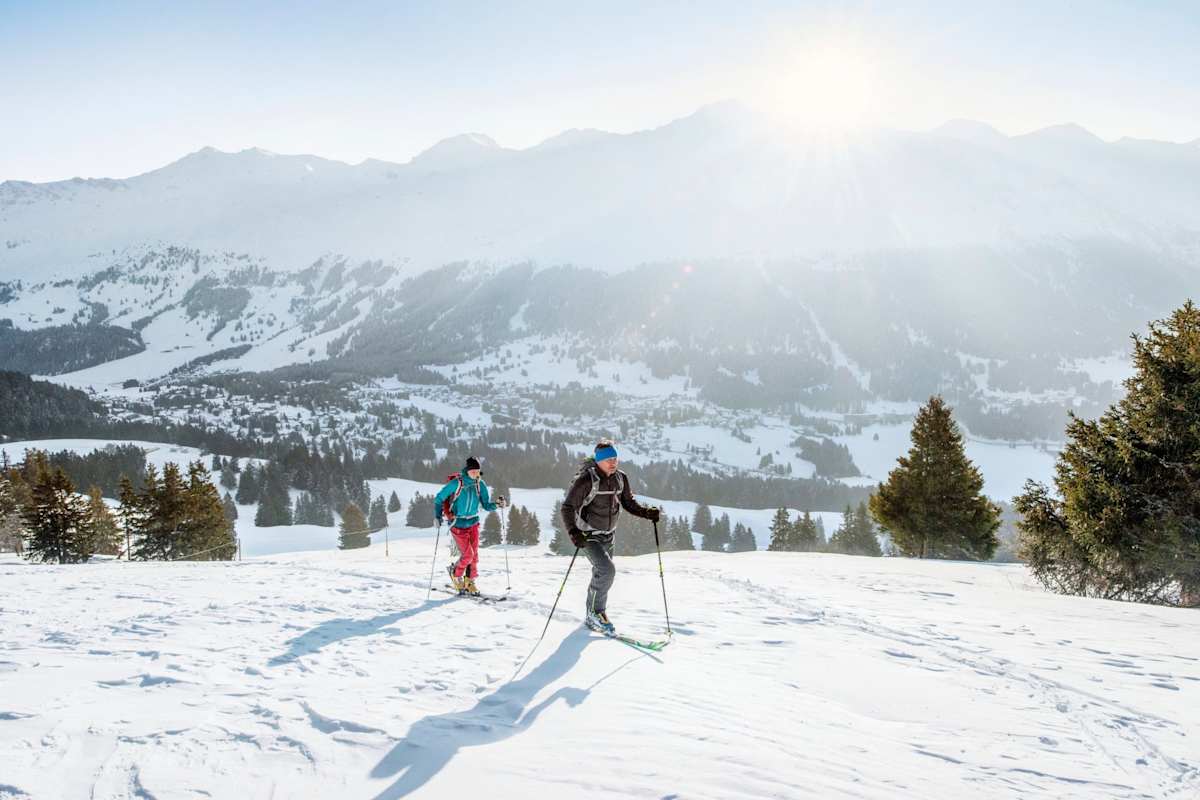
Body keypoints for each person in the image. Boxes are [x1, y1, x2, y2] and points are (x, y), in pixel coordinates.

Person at [560, 440, 661, 634]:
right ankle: (596, 613)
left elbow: (628, 503)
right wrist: (574, 532)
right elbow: (567, 507)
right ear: (598, 461)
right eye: (608, 459)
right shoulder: (586, 480)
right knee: (607, 571)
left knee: (602, 573)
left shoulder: (621, 478)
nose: (613, 462)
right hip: (588, 535)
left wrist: (647, 513)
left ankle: (593, 612)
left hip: (609, 535)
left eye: (615, 458)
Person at [435, 457, 506, 595]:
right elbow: (439, 498)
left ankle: (469, 582)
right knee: (468, 555)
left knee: (474, 556)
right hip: (458, 524)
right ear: (467, 471)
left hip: (473, 523)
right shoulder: (457, 483)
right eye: (473, 471)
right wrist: (437, 516)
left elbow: (486, 505)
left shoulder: (480, 484)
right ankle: (455, 574)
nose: (475, 474)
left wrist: (497, 504)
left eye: (477, 472)